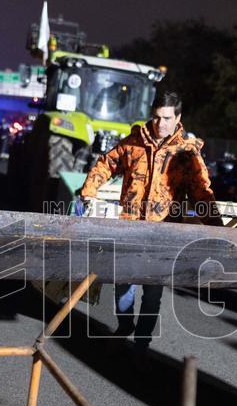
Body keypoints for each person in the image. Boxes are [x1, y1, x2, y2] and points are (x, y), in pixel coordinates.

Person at [78, 91, 220, 352]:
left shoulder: (186, 153)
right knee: (122, 285)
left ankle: (142, 341)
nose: (160, 124)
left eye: (166, 118)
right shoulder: (134, 143)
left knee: (152, 292)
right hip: (129, 228)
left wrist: (217, 228)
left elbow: (202, 191)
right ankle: (125, 325)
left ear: (178, 118)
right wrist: (88, 192)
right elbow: (106, 164)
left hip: (164, 233)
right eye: (156, 117)